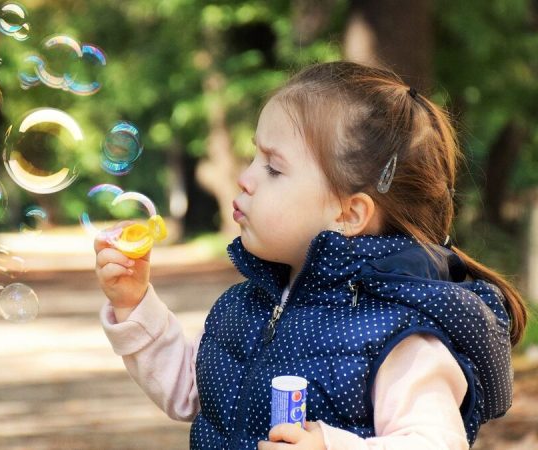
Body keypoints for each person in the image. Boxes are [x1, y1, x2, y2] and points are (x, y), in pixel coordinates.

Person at [94, 61, 527, 450]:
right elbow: (193, 391)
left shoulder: (399, 332)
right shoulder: (247, 305)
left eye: (273, 167)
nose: (245, 179)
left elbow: (436, 442)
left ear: (349, 212)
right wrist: (135, 305)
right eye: (253, 155)